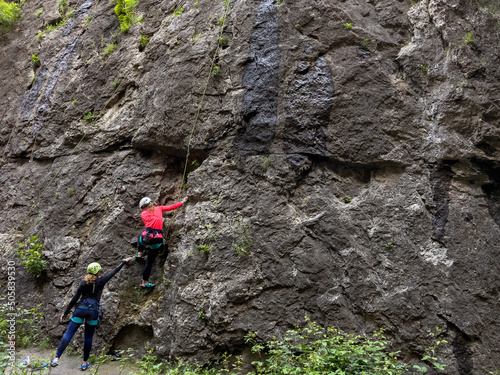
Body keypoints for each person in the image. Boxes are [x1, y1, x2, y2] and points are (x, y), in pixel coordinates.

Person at [51, 258, 132, 370]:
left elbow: (74, 299)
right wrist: (123, 262)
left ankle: (56, 358)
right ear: (98, 271)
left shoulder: (83, 283)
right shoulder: (102, 280)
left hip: (80, 309)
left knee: (69, 334)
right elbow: (114, 272)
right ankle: (84, 363)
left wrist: (66, 312)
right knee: (88, 338)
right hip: (92, 311)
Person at [136, 196, 187, 288]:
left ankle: (139, 254)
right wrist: (182, 201)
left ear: (143, 207)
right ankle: (145, 282)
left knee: (140, 235)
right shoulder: (159, 208)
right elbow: (172, 207)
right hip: (157, 239)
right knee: (150, 261)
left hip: (146, 238)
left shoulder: (143, 214)